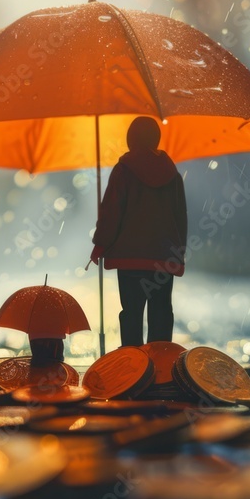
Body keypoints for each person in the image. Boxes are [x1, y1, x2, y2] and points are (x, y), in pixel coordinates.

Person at [90, 117, 187, 346]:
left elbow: (112, 212)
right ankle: (162, 367)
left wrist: (100, 244)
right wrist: (178, 254)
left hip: (130, 259)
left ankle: (134, 369)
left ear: (130, 139)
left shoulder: (123, 170)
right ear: (156, 139)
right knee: (161, 313)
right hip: (164, 259)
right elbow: (180, 218)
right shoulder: (172, 175)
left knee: (131, 314)